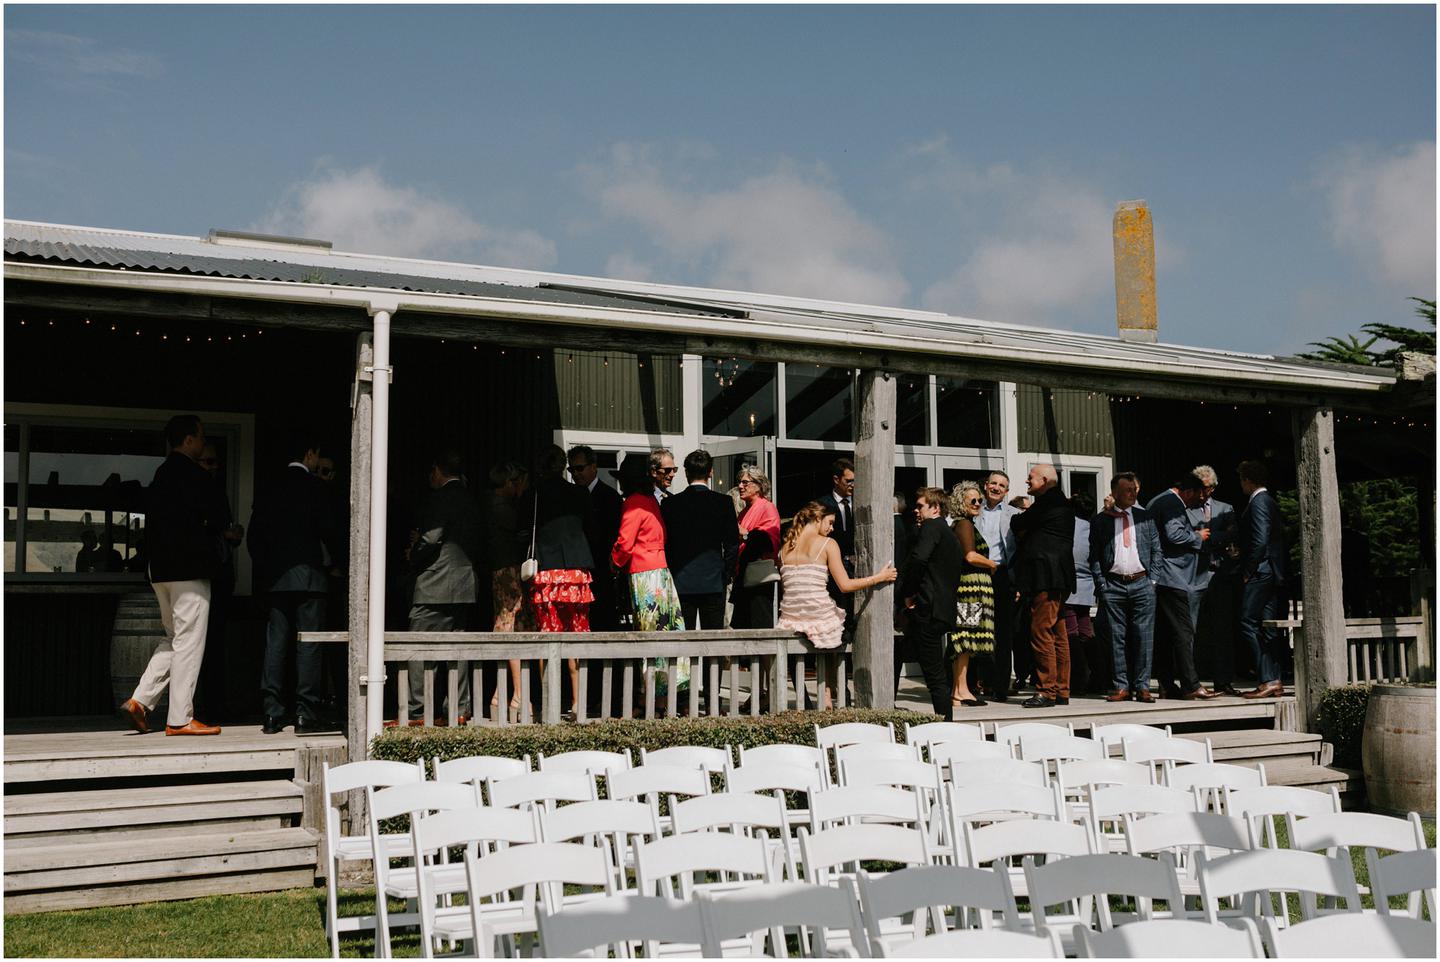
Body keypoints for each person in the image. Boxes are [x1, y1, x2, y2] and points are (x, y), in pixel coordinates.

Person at [119, 414, 223, 736]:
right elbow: (219, 517)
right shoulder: (196, 476)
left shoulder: (161, 474)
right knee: (189, 640)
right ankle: (180, 718)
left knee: (174, 637)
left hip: (159, 570)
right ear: (189, 440)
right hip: (189, 570)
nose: (204, 442)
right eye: (201, 437)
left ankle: (140, 700)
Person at [248, 432, 340, 734]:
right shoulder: (315, 488)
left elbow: (254, 538)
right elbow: (329, 530)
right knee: (309, 645)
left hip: (276, 579)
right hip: (311, 577)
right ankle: (305, 713)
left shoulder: (268, 489)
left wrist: (266, 569)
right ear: (309, 455)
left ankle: (272, 713)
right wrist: (337, 564)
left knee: (275, 643)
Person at [779, 501, 897, 710]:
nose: (832, 528)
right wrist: (879, 577)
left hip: (790, 615)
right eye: (830, 522)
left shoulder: (785, 547)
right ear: (817, 518)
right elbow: (845, 585)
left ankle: (808, 701)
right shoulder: (827, 544)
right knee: (839, 630)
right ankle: (827, 695)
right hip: (818, 613)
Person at [401, 449, 482, 727]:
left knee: (419, 648)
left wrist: (413, 552)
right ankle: (459, 708)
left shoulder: (440, 498)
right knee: (456, 649)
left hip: (435, 584)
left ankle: (419, 711)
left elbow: (432, 537)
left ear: (437, 471)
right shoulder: (471, 499)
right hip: (464, 585)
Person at [613, 453, 687, 700]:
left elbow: (625, 544)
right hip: (661, 572)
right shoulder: (650, 501)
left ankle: (653, 696)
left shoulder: (633, 502)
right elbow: (662, 536)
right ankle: (667, 693)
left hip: (644, 574)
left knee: (648, 632)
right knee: (665, 629)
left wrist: (613, 563)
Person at [530, 444, 595, 718]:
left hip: (548, 571)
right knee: (576, 634)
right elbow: (589, 525)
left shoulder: (535, 495)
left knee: (548, 635)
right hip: (576, 571)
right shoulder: (578, 493)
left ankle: (549, 702)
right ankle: (578, 701)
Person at [1146, 473, 1220, 701]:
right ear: (1186, 492)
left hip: (1166, 576)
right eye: (1195, 498)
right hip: (1173, 576)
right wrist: (1197, 536)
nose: (1195, 504)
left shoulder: (1160, 501)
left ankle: (1167, 684)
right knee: (1183, 631)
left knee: (1167, 634)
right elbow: (1174, 534)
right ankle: (1191, 684)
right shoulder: (1170, 503)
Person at [1090, 472, 1161, 703]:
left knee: (1144, 636)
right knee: (1115, 637)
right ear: (1115, 493)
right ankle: (1121, 686)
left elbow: (1157, 550)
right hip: (1114, 584)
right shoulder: (1101, 520)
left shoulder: (1145, 516)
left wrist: (1153, 580)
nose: (1133, 493)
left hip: (1142, 583)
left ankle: (1142, 686)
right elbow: (1095, 556)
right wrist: (1102, 584)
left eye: (1134, 489)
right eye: (1128, 490)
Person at [1010, 464, 1077, 709]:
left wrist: (1022, 517)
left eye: (1031, 478)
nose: (1027, 482)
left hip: (1045, 577)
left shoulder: (1049, 503)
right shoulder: (1058, 504)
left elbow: (1019, 524)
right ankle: (1061, 689)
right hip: (1056, 578)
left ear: (1046, 480)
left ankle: (1046, 691)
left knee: (1040, 633)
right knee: (1058, 634)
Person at [899, 487, 966, 718]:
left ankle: (945, 725)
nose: (916, 511)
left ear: (935, 508)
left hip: (927, 608)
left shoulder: (931, 527)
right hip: (941, 609)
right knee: (900, 651)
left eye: (920, 506)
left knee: (935, 676)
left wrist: (908, 593)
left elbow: (919, 559)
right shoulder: (949, 534)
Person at [661, 449, 740, 630]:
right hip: (713, 580)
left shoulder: (670, 504)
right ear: (710, 472)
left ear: (687, 472)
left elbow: (666, 543)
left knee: (683, 638)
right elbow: (732, 543)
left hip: (681, 579)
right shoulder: (723, 502)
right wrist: (726, 574)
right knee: (712, 639)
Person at [194, 442, 243, 723]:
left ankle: (214, 705)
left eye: (216, 463)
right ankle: (202, 707)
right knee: (199, 644)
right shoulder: (196, 492)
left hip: (219, 578)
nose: (214, 468)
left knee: (214, 644)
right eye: (208, 462)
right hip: (202, 576)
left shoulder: (216, 492)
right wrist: (225, 534)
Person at [1237, 460, 1288, 699]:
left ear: (1247, 480)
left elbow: (1260, 539)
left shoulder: (1258, 502)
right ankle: (1275, 679)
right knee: (1269, 628)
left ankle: (1268, 678)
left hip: (1260, 570)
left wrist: (1248, 569)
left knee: (1247, 621)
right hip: (1273, 570)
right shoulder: (1270, 501)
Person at [486, 459, 531, 720]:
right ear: (507, 483)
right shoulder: (502, 507)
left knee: (507, 623)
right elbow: (518, 529)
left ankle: (500, 693)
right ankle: (517, 695)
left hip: (500, 568)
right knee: (511, 625)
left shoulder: (492, 504)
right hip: (508, 569)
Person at [1191, 464, 1241, 696]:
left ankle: (1223, 680)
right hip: (1194, 575)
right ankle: (1193, 680)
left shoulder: (1225, 508)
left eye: (1209, 488)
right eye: (1202, 488)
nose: (1205, 493)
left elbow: (1232, 533)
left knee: (1222, 629)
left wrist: (1207, 538)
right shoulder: (1187, 508)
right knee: (1193, 629)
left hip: (1220, 575)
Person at [947, 481, 996, 708]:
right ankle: (961, 690)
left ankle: (960, 689)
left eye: (979, 500)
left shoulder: (963, 524)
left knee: (965, 640)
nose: (978, 503)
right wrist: (992, 564)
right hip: (970, 590)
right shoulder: (964, 524)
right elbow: (970, 556)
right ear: (961, 502)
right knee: (965, 640)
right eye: (972, 500)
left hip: (971, 588)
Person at [972, 470, 1020, 701]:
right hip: (974, 575)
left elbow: (1020, 550)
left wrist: (1018, 582)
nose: (997, 488)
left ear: (1007, 491)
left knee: (1002, 633)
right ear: (985, 485)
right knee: (972, 628)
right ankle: (972, 685)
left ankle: (1000, 686)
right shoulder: (972, 510)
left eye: (1002, 485)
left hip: (1002, 576)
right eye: (993, 483)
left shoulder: (1015, 514)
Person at [569, 445, 623, 632]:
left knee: (603, 620)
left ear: (593, 467)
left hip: (601, 570)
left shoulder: (610, 497)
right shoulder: (572, 496)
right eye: (571, 469)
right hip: (577, 569)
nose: (575, 474)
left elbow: (614, 534)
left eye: (579, 468)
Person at [730, 466, 782, 630]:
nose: (740, 486)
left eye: (745, 482)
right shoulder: (745, 511)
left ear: (759, 485)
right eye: (739, 482)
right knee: (742, 626)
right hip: (743, 575)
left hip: (758, 577)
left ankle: (763, 657)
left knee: (758, 624)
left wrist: (745, 534)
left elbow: (769, 541)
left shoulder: (767, 507)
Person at [1064, 493, 1102, 696]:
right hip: (1087, 586)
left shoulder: (1070, 527)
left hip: (1070, 586)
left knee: (1071, 632)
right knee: (1086, 630)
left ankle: (1078, 678)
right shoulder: (1091, 528)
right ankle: (1098, 676)